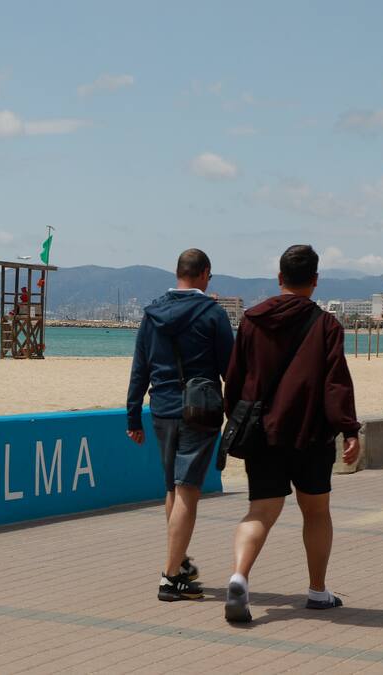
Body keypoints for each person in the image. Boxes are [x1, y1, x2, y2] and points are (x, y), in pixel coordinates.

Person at [222, 244, 362, 623]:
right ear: (315, 281)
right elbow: (336, 384)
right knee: (316, 512)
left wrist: (234, 417)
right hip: (310, 434)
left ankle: (239, 576)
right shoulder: (327, 324)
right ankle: (318, 592)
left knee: (261, 510)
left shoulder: (252, 320)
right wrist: (349, 430)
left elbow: (235, 380)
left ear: (279, 278)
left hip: (262, 433)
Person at [126, 248, 234, 602]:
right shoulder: (213, 314)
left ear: (178, 273)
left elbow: (140, 366)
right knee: (187, 490)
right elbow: (230, 369)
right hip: (199, 411)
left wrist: (132, 415)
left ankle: (180, 561)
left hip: (162, 409)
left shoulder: (152, 313)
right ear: (203, 274)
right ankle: (171, 577)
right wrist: (236, 412)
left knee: (173, 489)